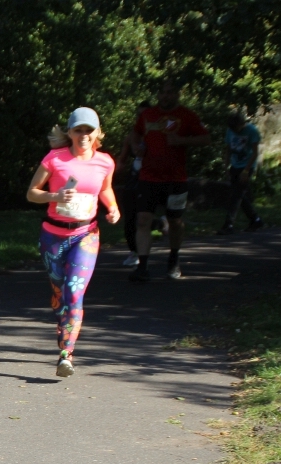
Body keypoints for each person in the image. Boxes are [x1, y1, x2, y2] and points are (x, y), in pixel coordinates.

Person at [26, 107, 119, 378]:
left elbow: (105, 188)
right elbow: (32, 193)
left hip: (85, 235)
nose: (84, 135)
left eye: (89, 130)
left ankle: (66, 354)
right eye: (79, 130)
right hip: (53, 236)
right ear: (70, 132)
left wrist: (113, 207)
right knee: (60, 295)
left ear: (97, 133)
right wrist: (54, 196)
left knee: (75, 293)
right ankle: (63, 323)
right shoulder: (55, 159)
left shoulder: (105, 162)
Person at [129, 79, 211, 281]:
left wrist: (182, 140)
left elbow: (206, 139)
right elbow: (135, 133)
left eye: (170, 92)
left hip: (176, 179)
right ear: (158, 95)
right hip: (148, 177)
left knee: (174, 221)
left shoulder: (187, 115)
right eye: (163, 92)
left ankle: (174, 258)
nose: (166, 96)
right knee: (143, 219)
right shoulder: (148, 115)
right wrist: (136, 147)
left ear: (177, 94)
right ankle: (143, 267)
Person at [116, 101, 151, 266]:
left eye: (145, 115)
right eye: (139, 115)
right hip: (135, 178)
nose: (141, 118)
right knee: (129, 216)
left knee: (145, 216)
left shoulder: (160, 134)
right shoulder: (132, 136)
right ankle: (133, 252)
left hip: (155, 178)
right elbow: (122, 160)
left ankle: (161, 223)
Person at [219, 112, 264, 234]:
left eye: (236, 128)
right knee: (238, 194)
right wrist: (226, 167)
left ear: (242, 124)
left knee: (236, 195)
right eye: (232, 129)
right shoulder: (230, 130)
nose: (235, 131)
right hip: (235, 165)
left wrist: (246, 171)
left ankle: (228, 224)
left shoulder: (251, 131)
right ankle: (255, 219)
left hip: (246, 165)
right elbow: (228, 150)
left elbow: (255, 153)